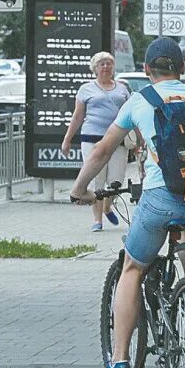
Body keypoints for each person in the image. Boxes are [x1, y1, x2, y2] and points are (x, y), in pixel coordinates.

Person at [70, 37, 185, 368]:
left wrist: (80, 189)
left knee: (133, 266)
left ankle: (120, 362)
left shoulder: (139, 101)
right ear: (182, 69)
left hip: (160, 200)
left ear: (145, 70)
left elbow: (101, 151)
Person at [61, 51, 130, 232]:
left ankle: (107, 207)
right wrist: (67, 139)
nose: (106, 67)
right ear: (95, 68)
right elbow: (78, 116)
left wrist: (139, 138)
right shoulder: (86, 89)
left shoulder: (122, 88)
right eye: (102, 64)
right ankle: (97, 220)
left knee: (116, 180)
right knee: (95, 180)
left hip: (117, 138)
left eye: (109, 63)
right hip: (92, 138)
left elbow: (131, 114)